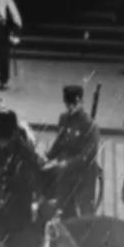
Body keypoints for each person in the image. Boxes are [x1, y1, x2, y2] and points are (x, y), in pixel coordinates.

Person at [43, 85, 101, 219]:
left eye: (74, 104)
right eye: (68, 104)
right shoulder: (63, 118)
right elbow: (59, 141)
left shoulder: (90, 125)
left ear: (81, 102)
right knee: (64, 207)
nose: (70, 108)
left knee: (85, 211)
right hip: (64, 174)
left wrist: (67, 163)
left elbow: (88, 154)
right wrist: (49, 156)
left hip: (83, 173)